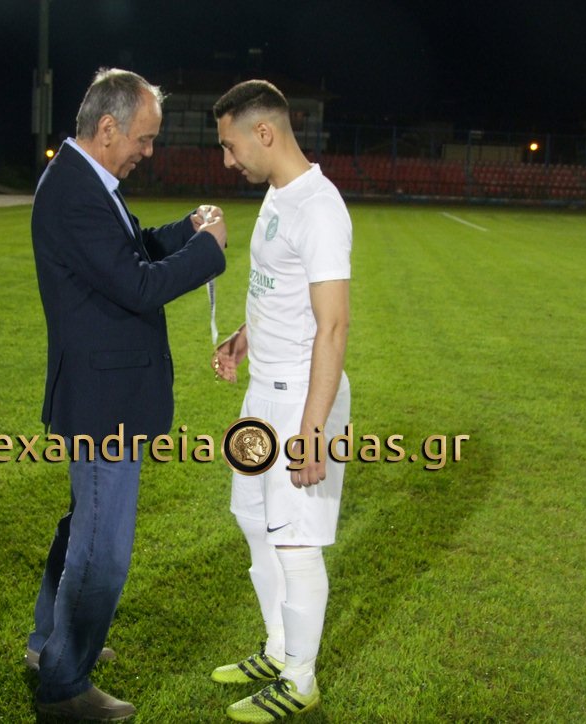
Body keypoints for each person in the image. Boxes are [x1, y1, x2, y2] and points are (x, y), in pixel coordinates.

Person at [28, 67, 227, 721]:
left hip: (100, 392)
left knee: (81, 530)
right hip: (103, 400)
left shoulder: (83, 180)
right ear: (108, 127)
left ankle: (47, 644)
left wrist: (186, 230)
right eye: (144, 137)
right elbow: (139, 286)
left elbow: (131, 252)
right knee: (101, 549)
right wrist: (209, 250)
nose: (148, 150)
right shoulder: (76, 190)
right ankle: (63, 684)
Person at [209, 80, 352, 722]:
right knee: (251, 518)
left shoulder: (319, 208)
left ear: (264, 133)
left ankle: (300, 678)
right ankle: (277, 648)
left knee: (295, 542)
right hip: (263, 390)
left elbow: (333, 325)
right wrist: (245, 337)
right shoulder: (276, 194)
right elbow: (275, 287)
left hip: (300, 400)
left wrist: (313, 431)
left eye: (230, 146)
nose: (227, 160)